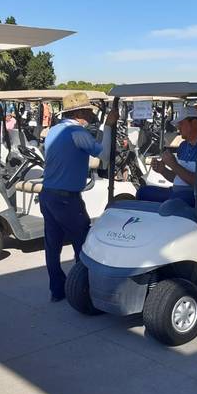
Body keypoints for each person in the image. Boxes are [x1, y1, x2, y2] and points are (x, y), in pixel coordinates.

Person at [40, 98, 117, 302]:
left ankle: (57, 290)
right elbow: (105, 156)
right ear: (78, 114)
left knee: (52, 245)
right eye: (89, 112)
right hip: (67, 198)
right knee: (83, 244)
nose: (92, 115)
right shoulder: (77, 133)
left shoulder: (53, 131)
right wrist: (108, 126)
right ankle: (83, 289)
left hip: (48, 194)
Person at [136, 104, 197, 214]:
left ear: (194, 123)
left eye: (181, 123)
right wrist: (163, 171)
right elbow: (179, 177)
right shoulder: (184, 146)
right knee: (142, 192)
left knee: (175, 201)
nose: (178, 127)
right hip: (179, 193)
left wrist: (174, 165)